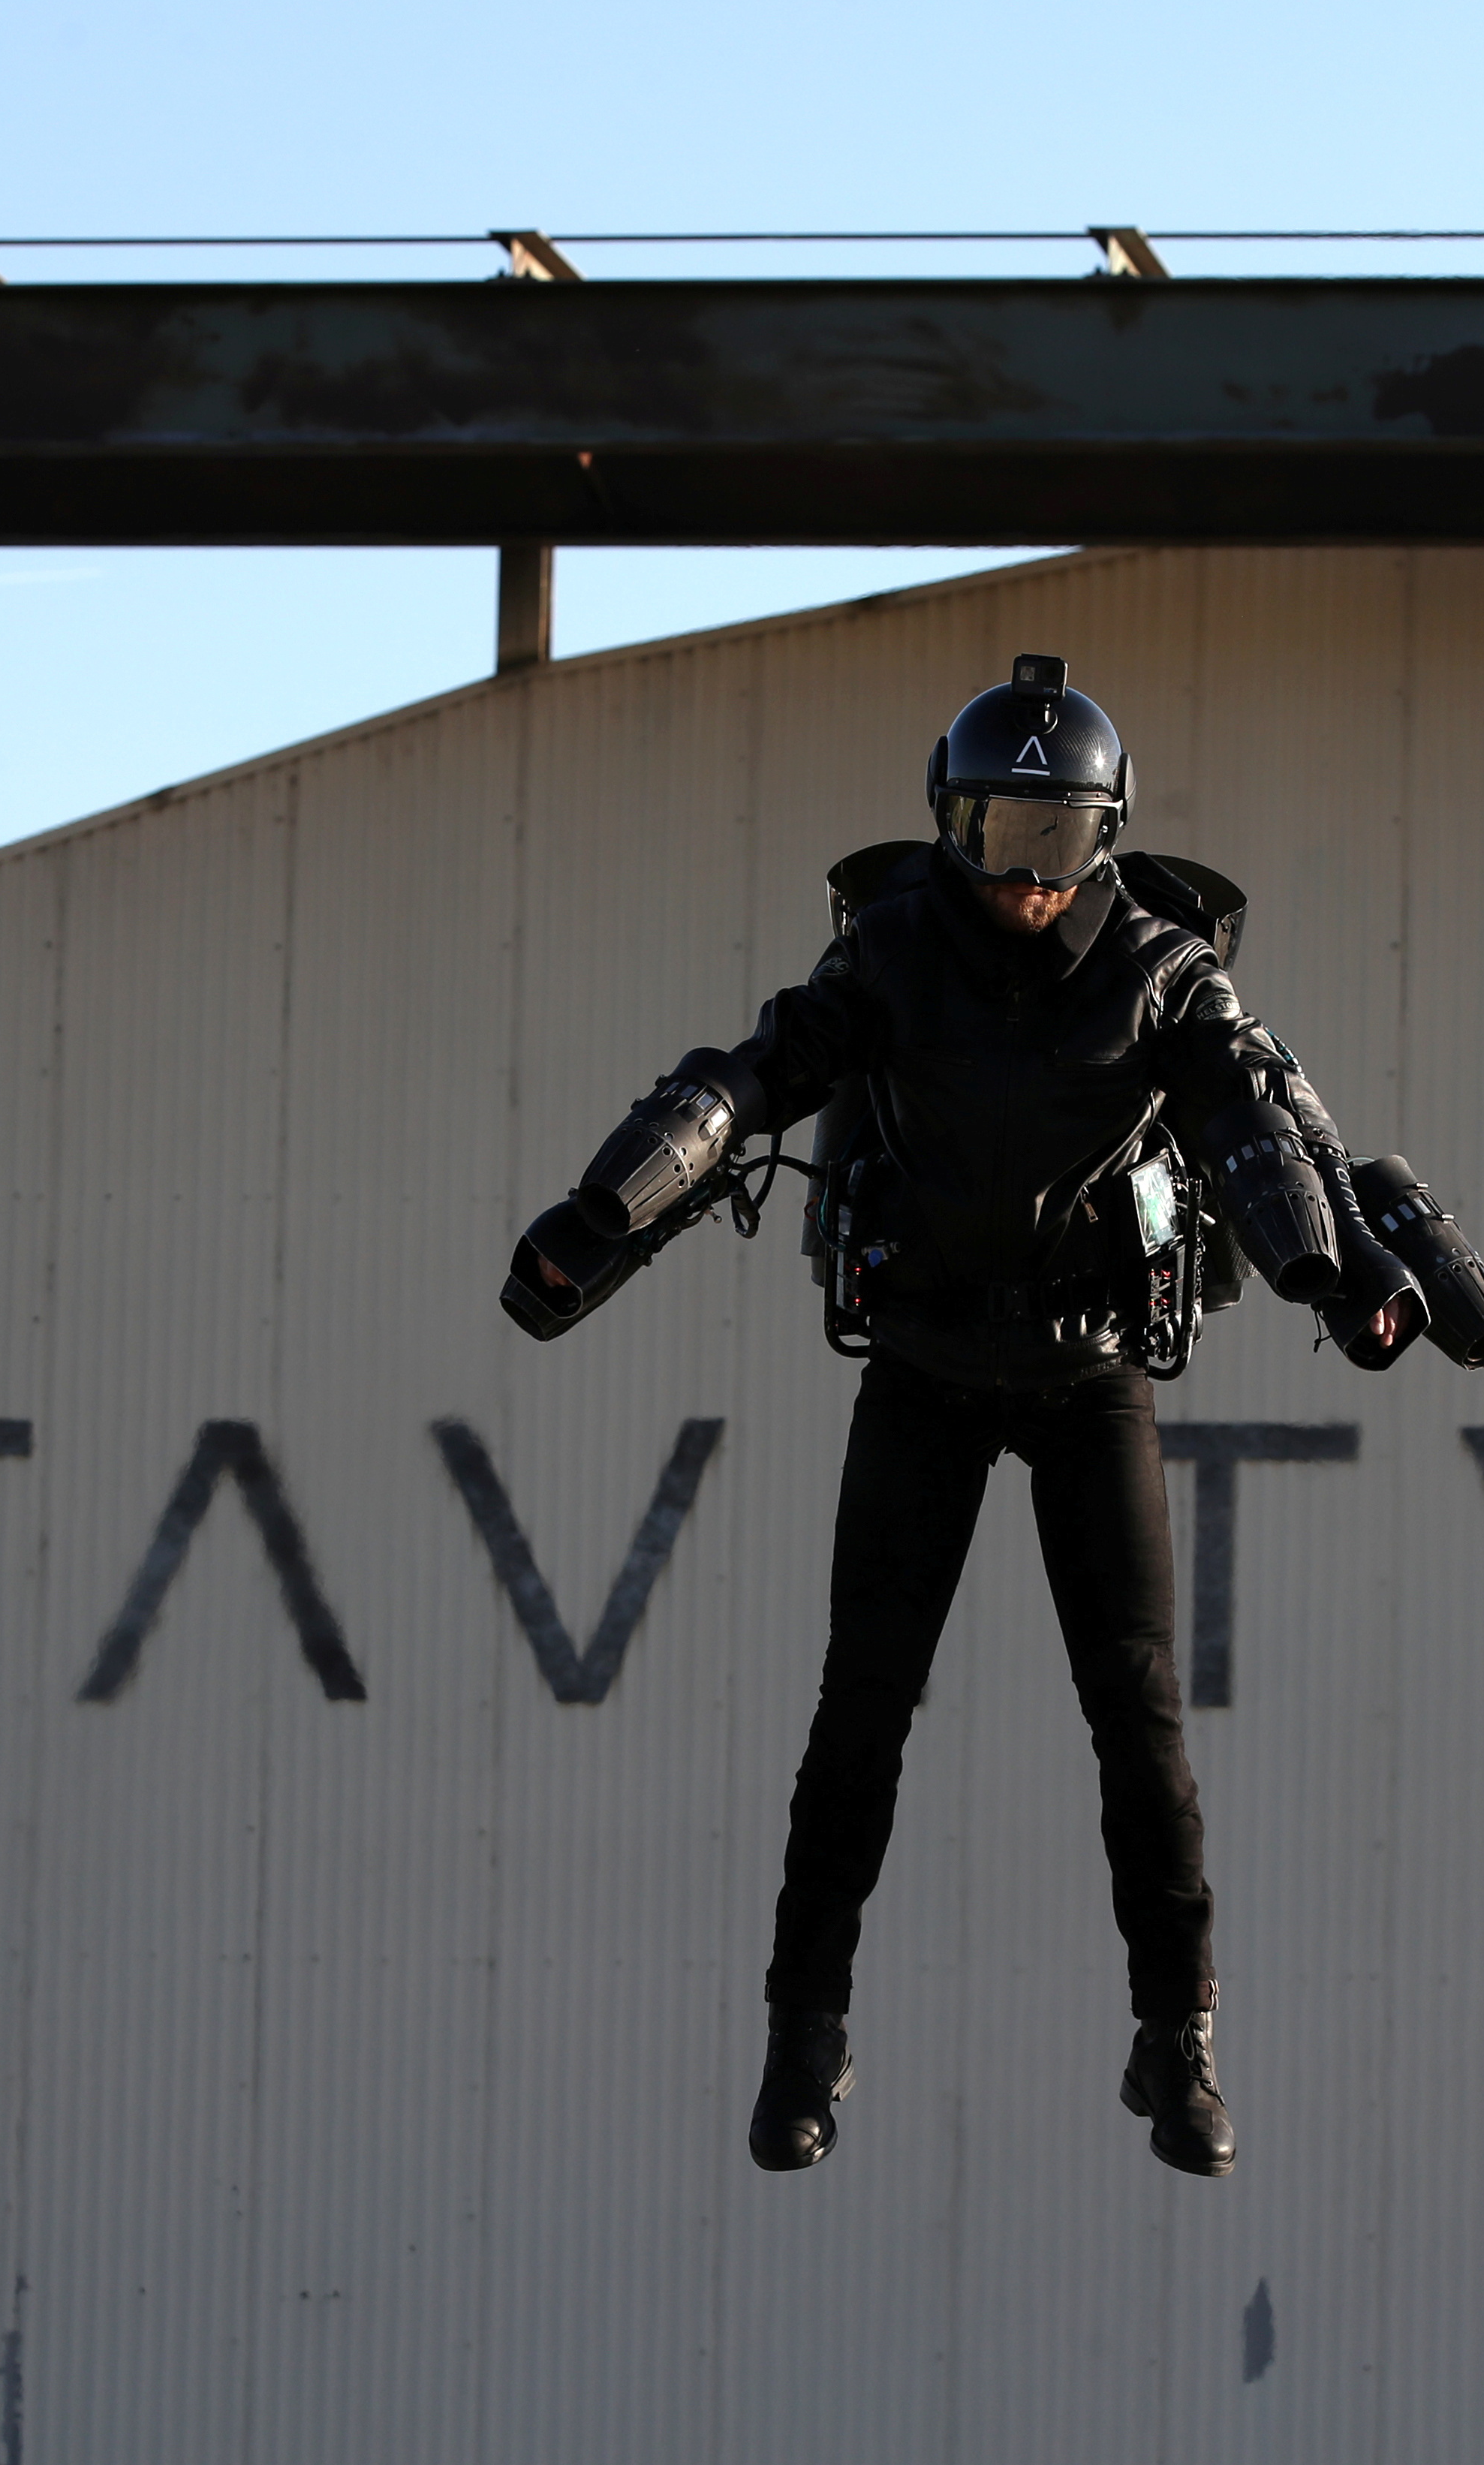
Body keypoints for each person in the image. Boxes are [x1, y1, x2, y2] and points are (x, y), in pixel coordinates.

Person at [530, 656, 1416, 2179]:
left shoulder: (1160, 967)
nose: (1026, 876)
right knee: (857, 1720)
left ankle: (1177, 2042)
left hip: (1088, 1379)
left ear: (1107, 840)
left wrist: (1335, 1287)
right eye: (1000, 835)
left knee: (1138, 1724)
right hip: (926, 1372)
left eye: (1058, 841)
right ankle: (803, 2039)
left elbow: (1243, 1123)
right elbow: (754, 1079)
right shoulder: (887, 953)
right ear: (951, 828)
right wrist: (605, 1213)